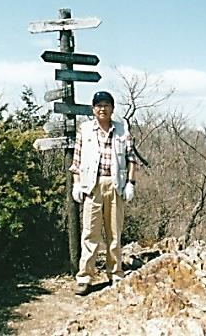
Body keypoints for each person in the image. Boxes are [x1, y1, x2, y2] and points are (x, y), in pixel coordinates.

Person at [69, 91, 137, 296]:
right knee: (90, 233)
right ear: (93, 109)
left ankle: (115, 274)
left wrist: (131, 183)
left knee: (114, 233)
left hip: (116, 185)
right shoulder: (85, 129)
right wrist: (77, 184)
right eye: (98, 105)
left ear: (112, 108)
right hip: (92, 186)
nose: (102, 109)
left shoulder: (122, 129)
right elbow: (77, 161)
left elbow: (131, 158)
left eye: (106, 105)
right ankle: (84, 277)